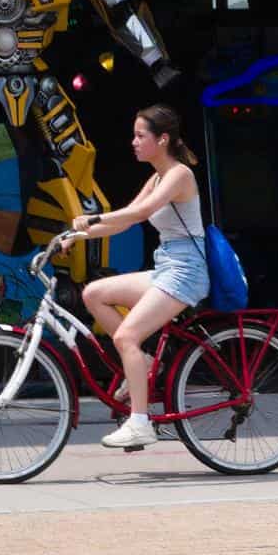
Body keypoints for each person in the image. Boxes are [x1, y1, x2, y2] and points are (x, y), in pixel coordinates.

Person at [64, 104, 209, 450]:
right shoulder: (156, 177)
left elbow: (141, 212)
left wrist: (93, 217)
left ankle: (140, 423)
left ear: (162, 139)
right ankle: (143, 363)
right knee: (93, 294)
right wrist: (74, 236)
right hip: (166, 266)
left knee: (126, 336)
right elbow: (126, 221)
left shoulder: (179, 175)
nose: (133, 142)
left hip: (186, 271)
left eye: (140, 136)